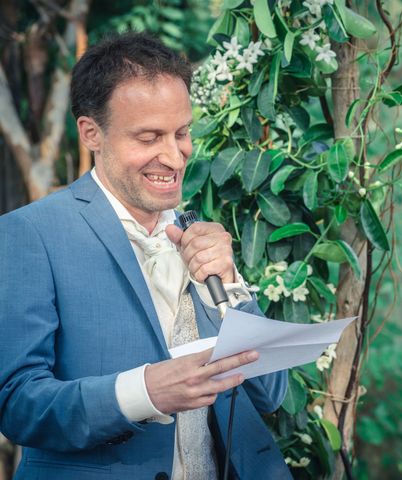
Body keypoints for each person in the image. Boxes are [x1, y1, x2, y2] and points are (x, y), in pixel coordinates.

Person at [0, 32, 291, 480]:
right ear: (91, 133)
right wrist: (143, 392)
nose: (174, 157)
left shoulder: (202, 231)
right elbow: (17, 404)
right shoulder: (29, 234)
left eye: (182, 133)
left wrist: (231, 283)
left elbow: (270, 394)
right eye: (149, 137)